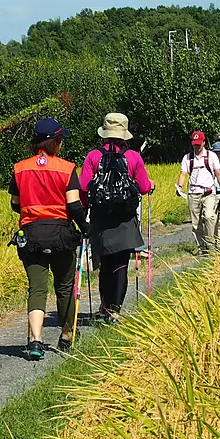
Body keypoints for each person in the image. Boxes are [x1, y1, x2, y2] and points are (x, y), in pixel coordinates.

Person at [9, 118, 89, 360]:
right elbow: (74, 205)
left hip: (31, 235)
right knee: (64, 287)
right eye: (60, 140)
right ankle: (66, 334)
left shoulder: (20, 168)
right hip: (61, 235)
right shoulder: (67, 168)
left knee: (37, 288)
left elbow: (15, 204)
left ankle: (35, 340)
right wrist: (86, 227)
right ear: (55, 142)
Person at [79, 113, 154, 325]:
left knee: (105, 263)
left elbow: (83, 186)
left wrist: (84, 211)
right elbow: (143, 186)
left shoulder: (93, 156)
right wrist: (151, 185)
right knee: (121, 263)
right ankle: (115, 310)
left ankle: (105, 306)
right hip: (125, 218)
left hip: (101, 218)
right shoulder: (133, 157)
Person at [175, 131, 220, 255]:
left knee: (209, 217)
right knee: (195, 222)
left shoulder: (211, 156)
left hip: (209, 191)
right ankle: (201, 247)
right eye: (195, 144)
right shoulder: (187, 158)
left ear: (204, 143)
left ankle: (210, 244)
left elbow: (218, 174)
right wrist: (180, 187)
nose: (197, 147)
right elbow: (183, 174)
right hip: (193, 192)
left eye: (199, 144)